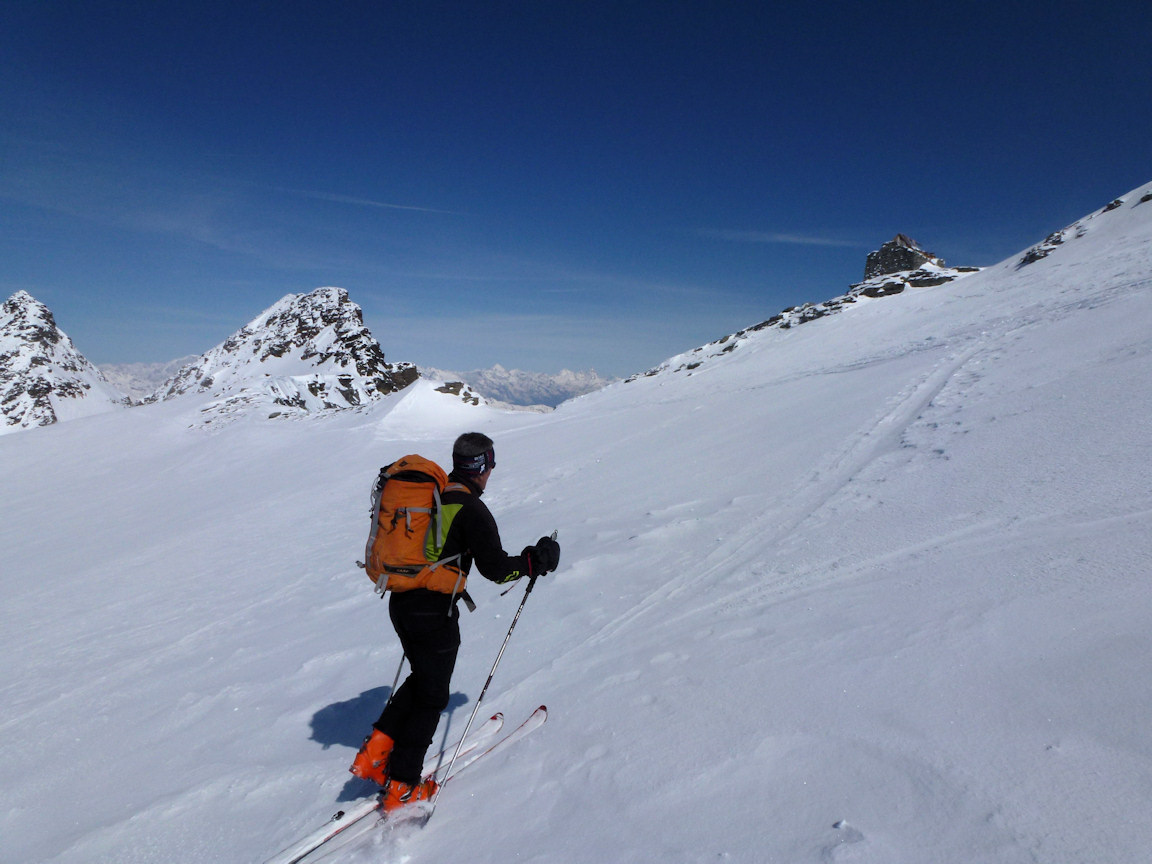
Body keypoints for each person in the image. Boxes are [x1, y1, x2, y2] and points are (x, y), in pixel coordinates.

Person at [349, 432, 561, 811]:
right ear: (481, 468)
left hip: (401, 602)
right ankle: (402, 784)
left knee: (422, 679)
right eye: (491, 465)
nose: (491, 472)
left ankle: (375, 752)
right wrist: (534, 561)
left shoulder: (434, 496)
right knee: (433, 696)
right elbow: (496, 570)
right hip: (434, 611)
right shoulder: (471, 510)